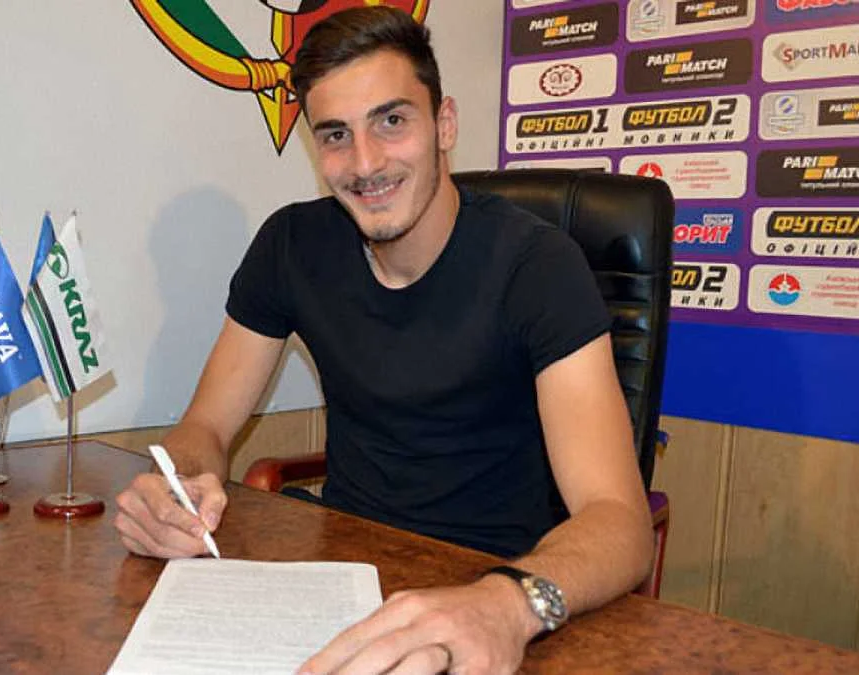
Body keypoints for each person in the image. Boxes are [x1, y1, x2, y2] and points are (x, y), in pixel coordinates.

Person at [114, 6, 653, 674]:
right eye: (336, 135)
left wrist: (505, 603)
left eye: (391, 121)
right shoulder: (290, 246)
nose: (365, 163)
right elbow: (205, 427)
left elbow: (620, 521)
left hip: (494, 591)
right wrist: (177, 485)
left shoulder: (537, 266)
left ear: (444, 124)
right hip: (342, 586)